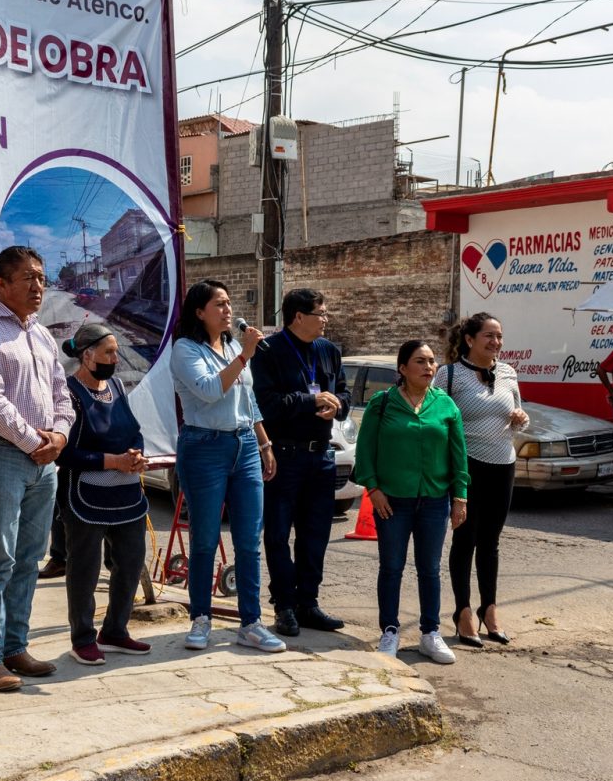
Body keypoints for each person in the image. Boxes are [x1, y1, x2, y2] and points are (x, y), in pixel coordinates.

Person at [0, 246, 76, 691]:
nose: (38, 286)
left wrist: (59, 436)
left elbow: (63, 394)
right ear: (0, 284)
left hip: (44, 456)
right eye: (27, 278)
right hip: (0, 452)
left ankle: (14, 648)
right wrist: (34, 442)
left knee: (29, 558)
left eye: (42, 277)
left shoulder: (42, 335)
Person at [170, 281, 286, 653]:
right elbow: (208, 390)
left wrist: (264, 442)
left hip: (245, 446)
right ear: (199, 311)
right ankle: (201, 618)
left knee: (249, 539)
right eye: (218, 304)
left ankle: (250, 622)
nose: (227, 309)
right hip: (204, 447)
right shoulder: (185, 350)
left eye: (228, 303)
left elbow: (247, 399)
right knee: (205, 539)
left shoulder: (235, 345)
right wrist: (244, 358)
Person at [351, 339, 469, 664]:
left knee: (430, 569)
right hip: (392, 501)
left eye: (432, 361)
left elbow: (458, 455)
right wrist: (373, 489)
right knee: (391, 567)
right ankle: (389, 631)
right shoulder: (382, 403)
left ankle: (430, 633)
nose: (429, 367)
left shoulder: (445, 405)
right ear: (402, 369)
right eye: (420, 361)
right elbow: (365, 450)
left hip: (434, 501)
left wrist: (460, 496)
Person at [251, 288, 352, 637]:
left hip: (321, 455)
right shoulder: (268, 351)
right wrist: (309, 402)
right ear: (298, 317)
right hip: (284, 455)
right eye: (320, 313)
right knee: (278, 533)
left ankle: (308, 602)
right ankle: (284, 606)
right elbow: (264, 402)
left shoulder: (329, 350)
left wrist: (336, 403)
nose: (325, 319)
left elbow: (344, 393)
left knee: (315, 533)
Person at [56, 322, 152, 665]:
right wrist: (112, 461)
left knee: (130, 561)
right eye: (109, 352)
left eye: (116, 351)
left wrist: (137, 454)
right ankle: (82, 638)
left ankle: (114, 630)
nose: (116, 358)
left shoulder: (116, 385)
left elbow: (133, 430)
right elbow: (64, 454)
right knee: (84, 568)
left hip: (126, 495)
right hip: (85, 496)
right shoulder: (68, 393)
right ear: (87, 355)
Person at [441, 313, 530, 647]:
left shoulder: (508, 373)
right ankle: (463, 613)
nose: (495, 342)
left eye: (499, 336)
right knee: (465, 540)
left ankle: (489, 611)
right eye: (488, 336)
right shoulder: (447, 375)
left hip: (504, 463)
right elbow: (436, 416)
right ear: (469, 339)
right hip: (467, 465)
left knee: (490, 542)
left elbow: (519, 417)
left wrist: (521, 418)